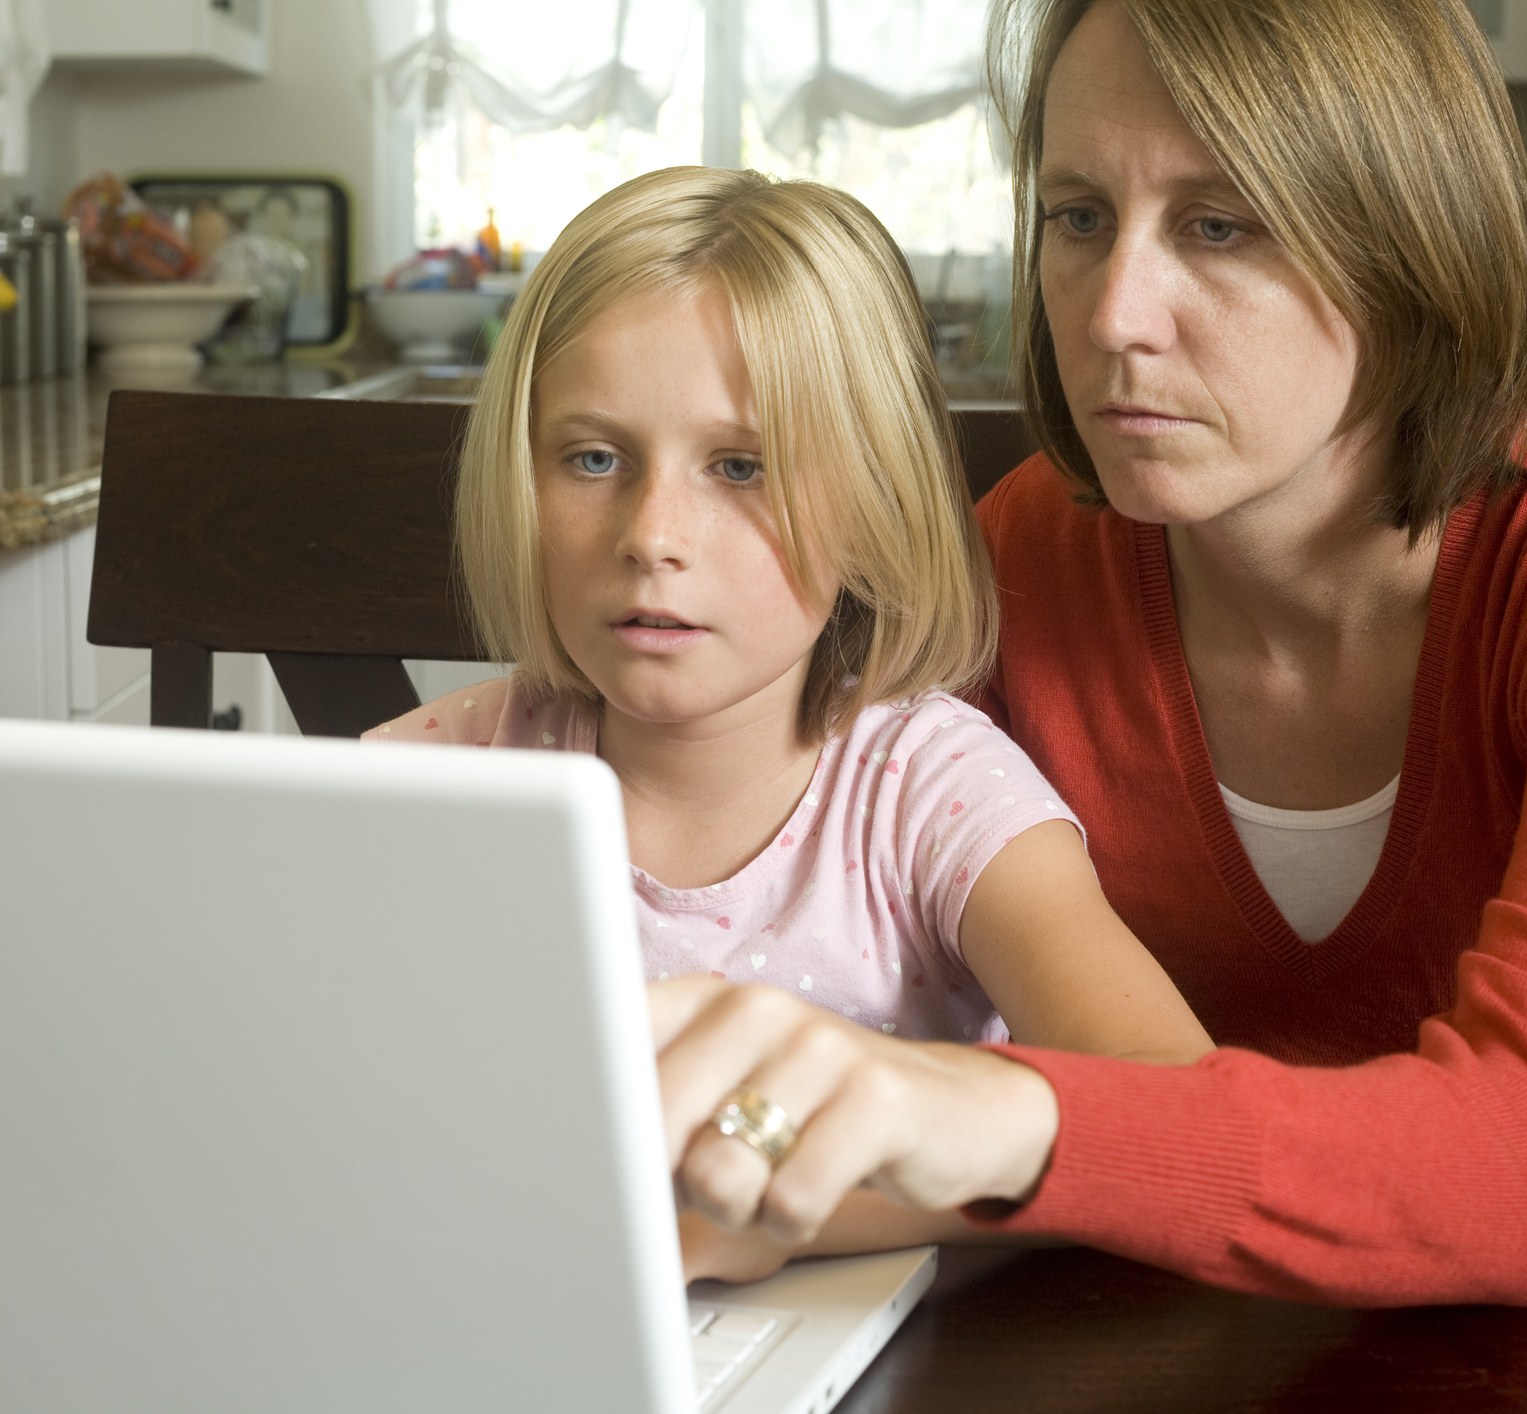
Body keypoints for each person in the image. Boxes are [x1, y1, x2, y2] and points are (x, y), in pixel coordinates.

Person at [648, 0, 1527, 1307]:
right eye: (1076, 216)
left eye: (1217, 225)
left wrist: (1011, 1121)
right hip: (1173, 1315)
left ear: (1407, 244)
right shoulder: (1016, 559)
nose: (1116, 314)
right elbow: (816, 900)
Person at [366, 165, 1213, 1266]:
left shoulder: (932, 793)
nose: (651, 533)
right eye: (592, 458)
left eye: (740, 466)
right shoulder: (436, 779)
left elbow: (1174, 1117)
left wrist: (767, 1224)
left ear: (870, 503)